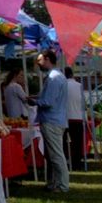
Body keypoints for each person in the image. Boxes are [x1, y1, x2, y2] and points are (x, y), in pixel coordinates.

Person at [34, 51, 70, 192]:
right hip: (55, 119)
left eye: (40, 60)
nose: (38, 63)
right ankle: (53, 183)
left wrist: (34, 101)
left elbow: (48, 101)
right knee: (51, 155)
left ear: (47, 59)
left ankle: (62, 185)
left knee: (56, 155)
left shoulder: (54, 78)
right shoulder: (57, 76)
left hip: (52, 120)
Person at [64, 67, 86, 170]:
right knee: (77, 142)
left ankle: (67, 160)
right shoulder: (79, 86)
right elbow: (83, 102)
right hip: (78, 117)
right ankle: (77, 161)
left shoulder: (63, 85)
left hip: (65, 117)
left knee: (64, 141)